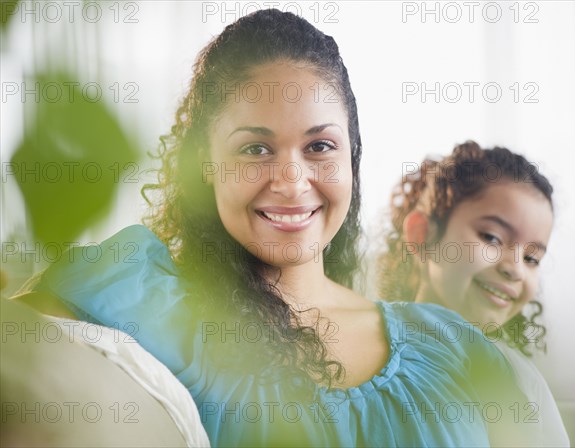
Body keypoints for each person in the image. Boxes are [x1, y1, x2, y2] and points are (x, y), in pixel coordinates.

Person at [14, 10, 534, 447]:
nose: (291, 180)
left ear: (351, 158)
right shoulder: (144, 294)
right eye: (255, 148)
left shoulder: (452, 345)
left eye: (319, 146)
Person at [378, 140, 570, 446]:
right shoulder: (367, 344)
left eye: (531, 258)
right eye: (491, 238)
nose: (515, 269)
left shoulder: (520, 379)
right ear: (422, 235)